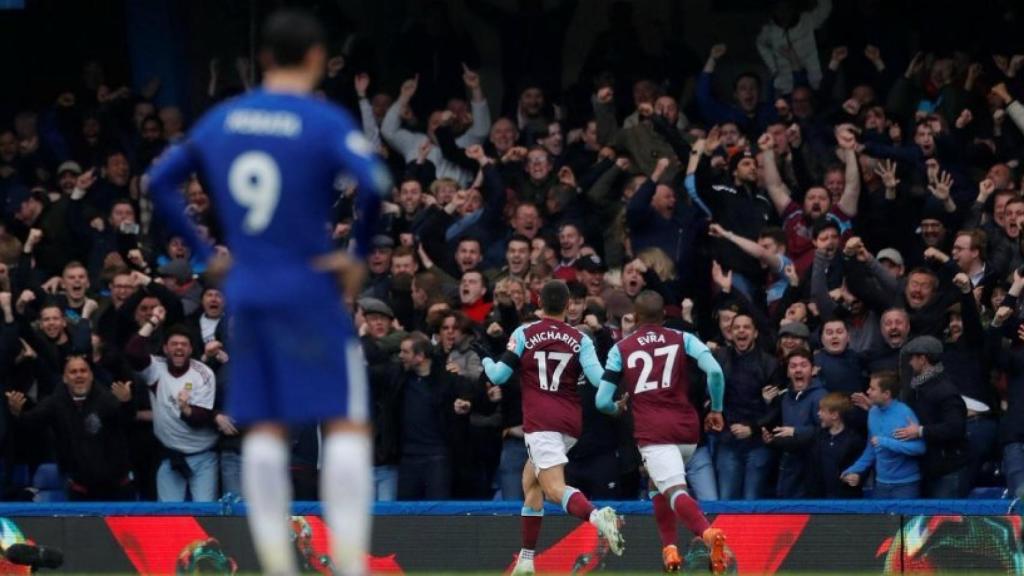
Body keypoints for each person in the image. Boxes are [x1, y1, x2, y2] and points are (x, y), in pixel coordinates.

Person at [145, 9, 391, 575]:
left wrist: (206, 254)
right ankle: (348, 561)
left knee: (264, 426)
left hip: (251, 290)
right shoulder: (321, 119)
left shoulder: (223, 120)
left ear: (263, 59)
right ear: (316, 58)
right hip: (310, 287)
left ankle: (277, 562)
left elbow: (157, 181)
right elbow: (374, 180)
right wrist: (355, 256)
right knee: (344, 419)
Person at [483, 280, 624, 575]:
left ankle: (598, 517)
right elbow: (598, 380)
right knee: (531, 482)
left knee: (553, 488)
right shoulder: (580, 339)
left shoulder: (524, 333)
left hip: (541, 422)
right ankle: (526, 560)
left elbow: (497, 376)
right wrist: (616, 395)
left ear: (539, 302)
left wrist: (484, 356)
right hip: (570, 424)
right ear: (568, 304)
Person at [595, 290, 728, 574]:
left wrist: (616, 408)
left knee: (674, 490)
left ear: (636, 316)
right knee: (657, 485)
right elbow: (715, 372)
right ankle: (670, 549)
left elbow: (601, 400)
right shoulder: (683, 338)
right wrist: (716, 408)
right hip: (687, 431)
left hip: (654, 432)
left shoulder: (621, 348)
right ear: (664, 315)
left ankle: (708, 534)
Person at [841, 372, 926, 499]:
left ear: (886, 394)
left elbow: (919, 448)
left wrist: (886, 442)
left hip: (906, 485)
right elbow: (871, 449)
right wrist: (853, 469)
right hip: (881, 484)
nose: (868, 392)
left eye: (872, 389)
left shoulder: (905, 413)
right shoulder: (873, 413)